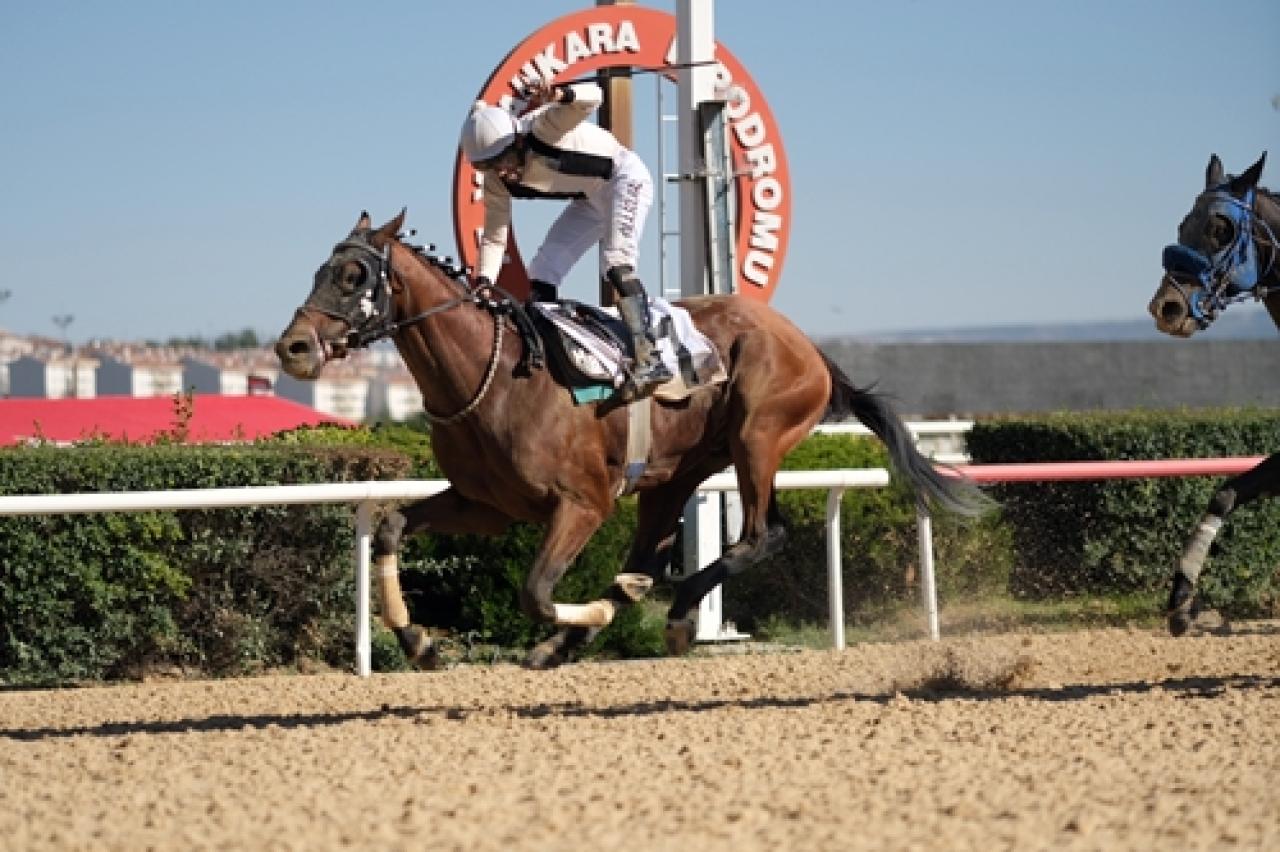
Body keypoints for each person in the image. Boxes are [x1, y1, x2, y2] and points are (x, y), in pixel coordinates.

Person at [459, 77, 673, 400]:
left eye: (502, 160)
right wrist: (483, 282)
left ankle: (649, 357)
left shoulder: (542, 127)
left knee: (615, 263)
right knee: (542, 272)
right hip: (590, 198)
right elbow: (494, 238)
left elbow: (594, 98)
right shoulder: (496, 182)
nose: (501, 173)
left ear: (517, 141)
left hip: (624, 180)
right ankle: (551, 358)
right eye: (488, 166)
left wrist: (562, 94)